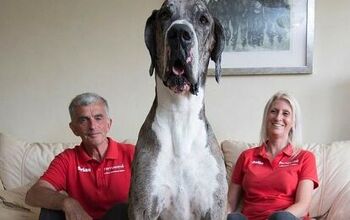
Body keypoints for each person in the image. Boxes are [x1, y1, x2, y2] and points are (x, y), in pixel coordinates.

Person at [25, 92, 135, 220]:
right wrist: (68, 202)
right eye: (84, 120)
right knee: (50, 211)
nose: (93, 126)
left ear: (109, 124)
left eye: (98, 118)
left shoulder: (132, 153)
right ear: (74, 128)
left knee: (122, 209)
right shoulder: (67, 159)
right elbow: (33, 194)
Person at [227, 91, 319, 220]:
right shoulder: (246, 156)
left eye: (285, 113)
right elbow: (230, 203)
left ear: (293, 122)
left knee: (280, 218)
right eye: (274, 111)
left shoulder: (305, 157)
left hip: (285, 218)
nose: (278, 117)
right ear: (266, 117)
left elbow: (303, 205)